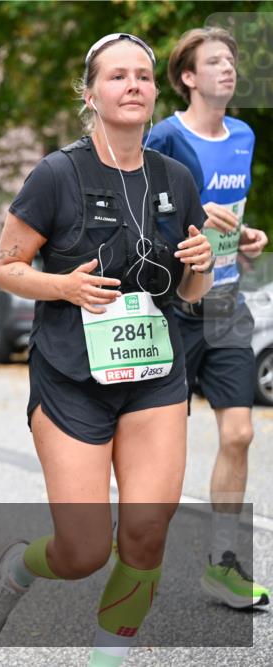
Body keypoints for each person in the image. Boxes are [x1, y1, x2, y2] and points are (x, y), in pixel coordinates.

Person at [0, 34, 214, 666]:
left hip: (154, 373)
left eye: (142, 76)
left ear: (156, 91)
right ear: (91, 93)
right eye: (116, 77)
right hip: (71, 376)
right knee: (82, 552)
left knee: (146, 530)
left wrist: (203, 264)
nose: (131, 85)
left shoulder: (176, 178)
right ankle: (21, 568)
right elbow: (6, 268)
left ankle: (109, 657)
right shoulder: (57, 173)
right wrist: (65, 285)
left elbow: (188, 291)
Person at [144, 26, 269, 610]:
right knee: (159, 448)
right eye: (214, 62)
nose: (229, 69)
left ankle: (223, 564)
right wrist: (193, 228)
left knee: (239, 432)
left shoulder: (243, 135)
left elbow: (228, 215)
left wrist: (244, 238)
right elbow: (146, 218)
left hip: (225, 303)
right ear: (188, 77)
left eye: (232, 61)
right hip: (174, 305)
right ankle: (131, 559)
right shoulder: (165, 136)